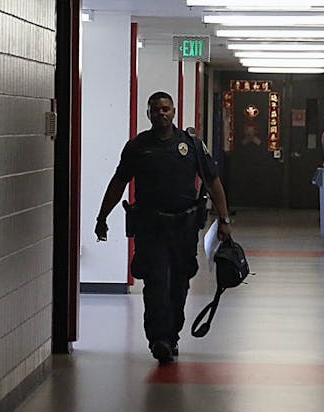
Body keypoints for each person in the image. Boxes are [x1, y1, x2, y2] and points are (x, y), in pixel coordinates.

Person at [95, 92, 233, 364]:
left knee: (179, 284)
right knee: (156, 282)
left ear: (174, 112)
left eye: (166, 109)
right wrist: (102, 216)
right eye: (156, 109)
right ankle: (158, 338)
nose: (162, 113)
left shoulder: (191, 145)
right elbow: (118, 182)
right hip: (151, 226)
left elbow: (213, 182)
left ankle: (172, 335)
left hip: (183, 226)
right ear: (148, 113)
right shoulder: (137, 147)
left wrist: (224, 220)